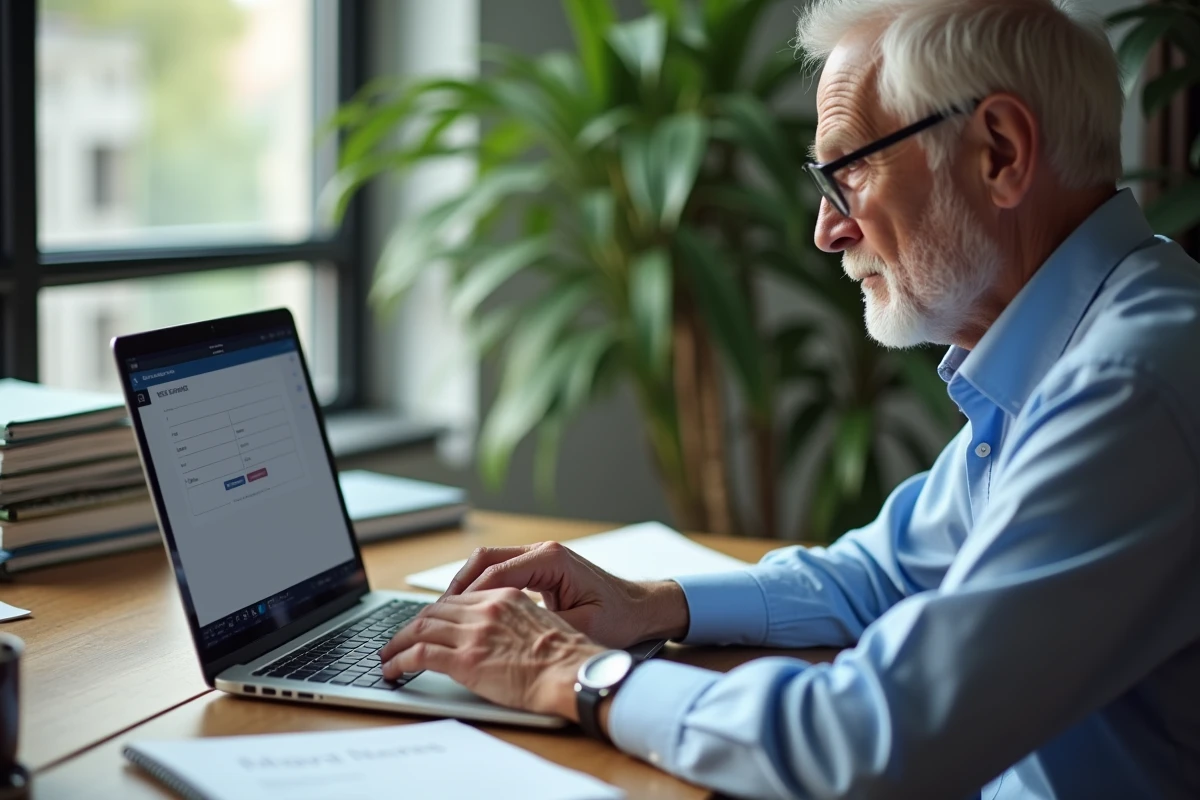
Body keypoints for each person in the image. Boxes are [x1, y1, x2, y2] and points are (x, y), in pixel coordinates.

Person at [379, 0, 1200, 797]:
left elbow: (877, 740)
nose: (826, 229)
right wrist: (649, 605)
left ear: (1000, 151)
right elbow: (883, 575)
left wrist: (566, 670)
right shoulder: (1086, 340)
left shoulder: (1128, 387)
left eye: (849, 171)